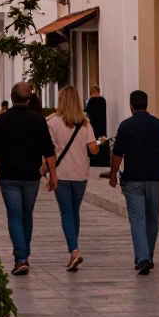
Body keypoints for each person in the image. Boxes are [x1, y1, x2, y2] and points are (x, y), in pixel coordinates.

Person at [0, 81, 57, 275]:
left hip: (9, 175)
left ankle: (21, 257)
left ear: (12, 97)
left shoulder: (1, 120)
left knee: (15, 215)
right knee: (27, 214)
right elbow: (49, 151)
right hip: (32, 176)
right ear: (29, 98)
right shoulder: (38, 120)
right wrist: (54, 175)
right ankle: (24, 254)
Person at [109, 89, 159, 275]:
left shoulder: (126, 126)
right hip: (155, 179)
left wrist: (113, 175)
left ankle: (143, 257)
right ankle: (147, 256)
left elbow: (118, 153)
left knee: (137, 219)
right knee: (152, 219)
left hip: (133, 179)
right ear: (147, 104)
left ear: (131, 105)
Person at [47, 86, 99, 271]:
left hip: (61, 173)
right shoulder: (85, 123)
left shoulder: (52, 123)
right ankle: (73, 251)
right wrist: (98, 144)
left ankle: (74, 250)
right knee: (74, 211)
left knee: (66, 212)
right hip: (80, 173)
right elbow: (93, 149)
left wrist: (48, 172)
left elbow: (50, 151)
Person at [85, 84, 110, 168]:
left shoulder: (91, 102)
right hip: (102, 130)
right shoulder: (103, 101)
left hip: (93, 130)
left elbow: (87, 114)